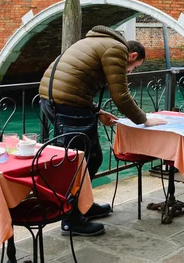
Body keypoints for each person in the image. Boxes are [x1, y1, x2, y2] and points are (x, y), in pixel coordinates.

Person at [38, 25, 166, 236]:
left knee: (89, 157)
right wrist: (144, 120)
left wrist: (97, 112)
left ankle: (82, 207)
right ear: (132, 55)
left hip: (54, 100)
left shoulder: (97, 42)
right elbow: (121, 96)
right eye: (134, 67)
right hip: (67, 104)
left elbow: (78, 82)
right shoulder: (116, 50)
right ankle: (72, 220)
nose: (130, 71)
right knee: (81, 161)